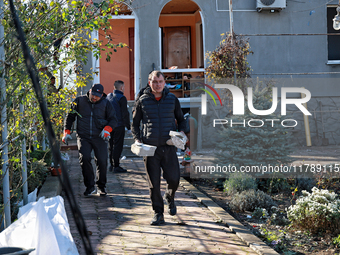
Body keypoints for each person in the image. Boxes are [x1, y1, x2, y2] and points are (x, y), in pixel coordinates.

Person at [132, 70, 188, 225]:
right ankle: (158, 213)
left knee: (174, 179)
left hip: (168, 147)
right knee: (153, 184)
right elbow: (135, 124)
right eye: (154, 82)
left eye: (160, 82)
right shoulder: (142, 100)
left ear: (164, 83)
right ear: (149, 82)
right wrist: (137, 140)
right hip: (150, 150)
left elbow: (181, 120)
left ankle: (169, 197)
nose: (157, 85)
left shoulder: (172, 99)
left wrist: (182, 132)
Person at [62, 84, 117, 197]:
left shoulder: (106, 103)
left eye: (97, 96)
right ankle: (90, 186)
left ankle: (101, 186)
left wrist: (107, 129)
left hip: (100, 137)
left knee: (102, 161)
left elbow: (113, 119)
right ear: (90, 91)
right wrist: (66, 131)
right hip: (84, 136)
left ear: (101, 95)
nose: (94, 98)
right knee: (85, 158)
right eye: (93, 95)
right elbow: (70, 116)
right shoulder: (79, 101)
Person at [107, 80, 131, 173]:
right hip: (119, 125)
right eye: (124, 87)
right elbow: (125, 114)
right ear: (121, 87)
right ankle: (116, 166)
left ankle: (111, 165)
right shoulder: (122, 98)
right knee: (117, 146)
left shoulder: (109, 97)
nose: (124, 88)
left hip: (109, 126)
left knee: (111, 145)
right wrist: (128, 127)